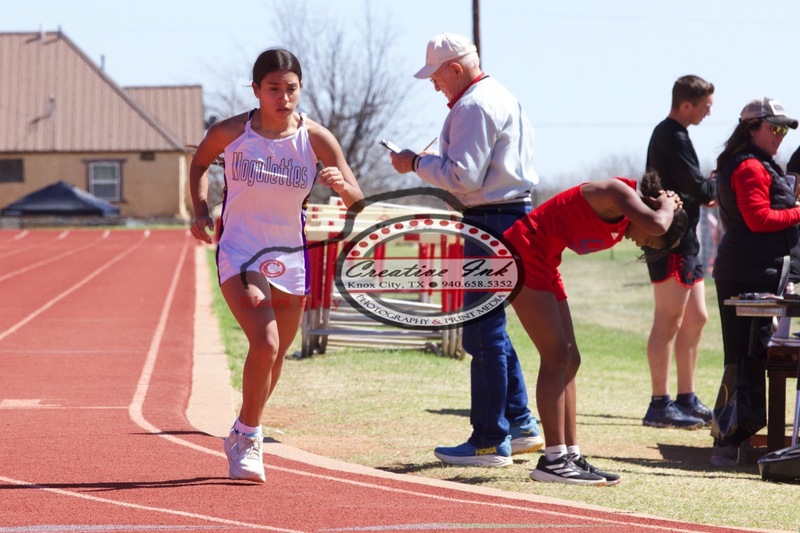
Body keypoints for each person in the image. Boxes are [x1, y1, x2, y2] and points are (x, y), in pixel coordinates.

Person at [189, 49, 364, 482]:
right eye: (273, 89)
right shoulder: (232, 132)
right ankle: (250, 438)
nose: (283, 98)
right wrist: (200, 209)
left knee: (277, 356)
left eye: (291, 89)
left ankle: (241, 427)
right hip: (241, 251)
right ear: (256, 90)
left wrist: (342, 187)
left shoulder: (316, 139)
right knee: (265, 344)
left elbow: (358, 200)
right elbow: (199, 164)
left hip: (289, 255)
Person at [389, 32, 542, 467]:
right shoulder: (499, 95)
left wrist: (414, 163)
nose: (435, 85)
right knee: (489, 330)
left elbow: (464, 178)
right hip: (508, 216)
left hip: (489, 219)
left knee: (481, 332)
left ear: (455, 69)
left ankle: (490, 440)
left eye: (436, 77)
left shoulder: (474, 104)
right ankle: (519, 424)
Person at [504, 173, 687, 485]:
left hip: (545, 260)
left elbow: (658, 227)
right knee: (555, 356)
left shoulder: (629, 217)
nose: (641, 243)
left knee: (570, 359)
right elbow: (658, 225)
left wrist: (666, 211)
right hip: (522, 252)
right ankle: (553, 460)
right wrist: (669, 203)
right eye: (648, 242)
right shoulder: (617, 192)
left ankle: (569, 455)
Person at [709, 97, 799, 467]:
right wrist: (798, 211)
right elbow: (759, 218)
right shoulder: (748, 165)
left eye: (784, 129)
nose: (780, 135)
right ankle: (729, 441)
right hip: (749, 271)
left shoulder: (754, 162)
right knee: (745, 356)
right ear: (752, 128)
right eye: (774, 127)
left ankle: (733, 440)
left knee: (748, 355)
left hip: (753, 269)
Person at [641, 75, 717, 430]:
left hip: (687, 241)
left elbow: (693, 187)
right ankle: (659, 403)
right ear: (686, 105)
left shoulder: (677, 134)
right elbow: (696, 186)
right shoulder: (670, 135)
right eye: (705, 106)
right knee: (668, 320)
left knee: (696, 317)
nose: (708, 113)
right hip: (670, 240)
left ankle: (687, 397)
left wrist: (707, 189)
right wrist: (715, 186)